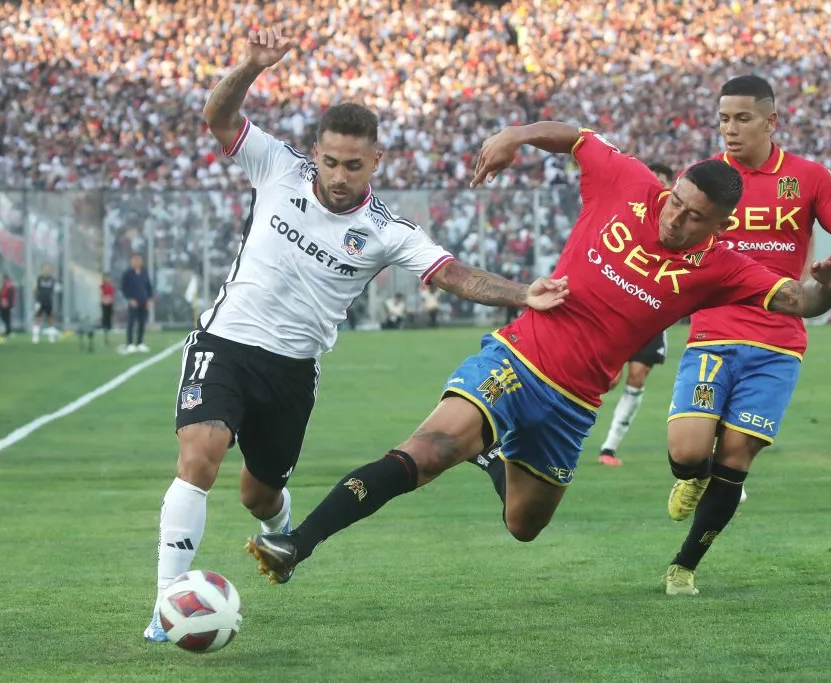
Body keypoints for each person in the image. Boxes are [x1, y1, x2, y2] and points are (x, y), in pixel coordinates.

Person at [246, 120, 831, 586]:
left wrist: (827, 287)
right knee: (430, 449)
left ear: (721, 226)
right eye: (676, 200)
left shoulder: (724, 267)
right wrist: (515, 136)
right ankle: (296, 544)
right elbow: (576, 139)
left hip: (574, 403)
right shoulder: (629, 182)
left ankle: (489, 454)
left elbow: (801, 301)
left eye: (694, 216)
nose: (675, 218)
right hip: (518, 358)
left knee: (524, 524)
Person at [144, 27, 568, 643]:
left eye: (353, 164)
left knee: (259, 495)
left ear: (376, 162)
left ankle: (279, 531)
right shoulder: (276, 166)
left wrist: (521, 292)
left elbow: (452, 273)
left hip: (292, 371)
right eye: (330, 161)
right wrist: (251, 66)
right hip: (226, 344)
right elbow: (219, 117)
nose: (338, 175)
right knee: (198, 457)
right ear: (314, 152)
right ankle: (166, 605)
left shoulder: (386, 230)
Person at [662, 75, 831, 596]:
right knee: (687, 453)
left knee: (736, 458)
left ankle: (684, 566)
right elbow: (668, 241)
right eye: (723, 119)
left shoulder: (808, 178)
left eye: (743, 118)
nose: (730, 129)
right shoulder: (703, 178)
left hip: (778, 345)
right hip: (713, 333)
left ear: (771, 121)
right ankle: (693, 475)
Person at [597, 162, 676, 466]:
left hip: (652, 312)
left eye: (663, 180)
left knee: (637, 375)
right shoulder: (631, 211)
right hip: (620, 308)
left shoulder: (679, 223)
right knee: (609, 380)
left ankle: (609, 448)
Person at [121, 253, 152, 353]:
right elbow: (124, 288)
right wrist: (130, 299)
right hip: (133, 302)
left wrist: (149, 299)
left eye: (138, 259)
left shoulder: (144, 273)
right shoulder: (127, 274)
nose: (137, 262)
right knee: (131, 323)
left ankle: (140, 342)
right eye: (135, 259)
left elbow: (148, 287)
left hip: (143, 301)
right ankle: (130, 343)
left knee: (142, 323)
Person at [32, 264, 58, 344]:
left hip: (48, 301)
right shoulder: (39, 279)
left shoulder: (52, 279)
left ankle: (51, 336)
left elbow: (54, 290)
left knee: (50, 318)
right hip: (40, 301)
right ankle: (35, 336)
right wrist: (36, 299)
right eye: (45, 269)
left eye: (48, 269)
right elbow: (36, 289)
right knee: (37, 317)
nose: (47, 270)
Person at [100, 273, 115, 344]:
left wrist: (109, 300)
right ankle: (105, 332)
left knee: (109, 317)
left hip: (110, 304)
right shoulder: (102, 287)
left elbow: (112, 296)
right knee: (105, 318)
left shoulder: (111, 287)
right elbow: (101, 295)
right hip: (104, 304)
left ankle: (109, 331)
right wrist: (105, 299)